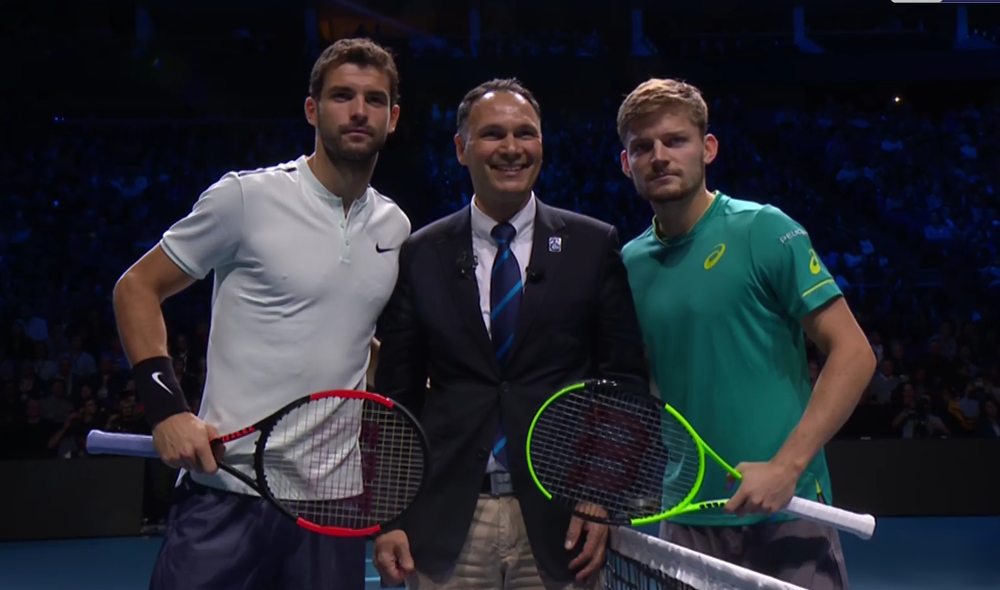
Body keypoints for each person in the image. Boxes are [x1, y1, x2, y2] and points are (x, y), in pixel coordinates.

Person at [111, 38, 410, 590]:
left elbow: (352, 338)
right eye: (342, 95)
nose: (358, 110)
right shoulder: (245, 199)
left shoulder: (395, 228)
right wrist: (165, 408)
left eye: (374, 99)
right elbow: (136, 287)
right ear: (312, 110)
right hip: (230, 492)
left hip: (331, 511)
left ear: (393, 118)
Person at [372, 78, 648, 590]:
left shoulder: (593, 244)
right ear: (462, 149)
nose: (512, 148)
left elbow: (624, 386)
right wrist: (390, 515)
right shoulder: (423, 252)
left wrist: (600, 494)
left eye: (526, 133)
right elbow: (397, 398)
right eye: (493, 134)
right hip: (449, 521)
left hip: (563, 523)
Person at [616, 78, 877, 590]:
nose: (659, 156)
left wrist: (786, 467)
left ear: (707, 148)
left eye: (676, 141)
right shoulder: (627, 263)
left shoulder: (763, 229)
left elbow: (854, 353)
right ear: (626, 164)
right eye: (642, 147)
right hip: (686, 519)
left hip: (789, 511)